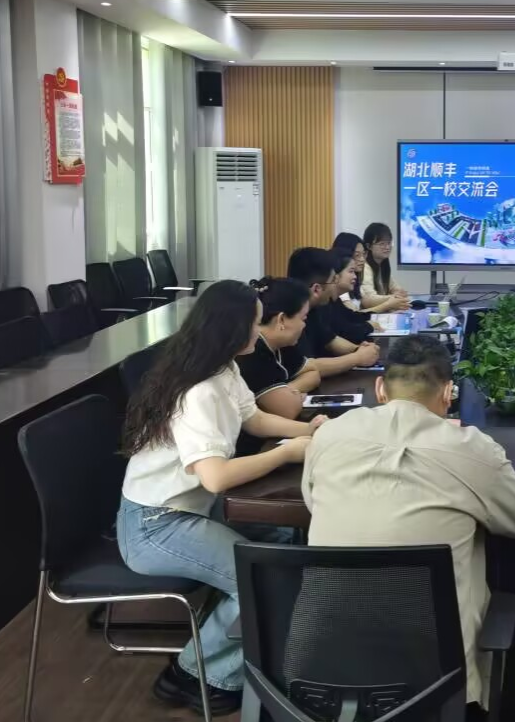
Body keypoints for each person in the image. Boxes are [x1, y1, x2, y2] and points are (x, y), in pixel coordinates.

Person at [116, 279, 326, 717]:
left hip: (190, 509)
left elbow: (254, 418)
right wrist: (287, 453)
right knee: (262, 578)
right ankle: (192, 674)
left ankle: (264, 646)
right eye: (254, 323)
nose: (259, 331)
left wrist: (309, 431)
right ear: (232, 328)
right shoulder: (199, 391)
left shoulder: (222, 367)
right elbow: (215, 478)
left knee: (285, 541)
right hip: (155, 525)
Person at [301, 335, 515, 713]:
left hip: (323, 657)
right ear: (448, 392)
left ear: (380, 388)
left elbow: (312, 502)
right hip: (437, 674)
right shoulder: (472, 449)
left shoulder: (328, 435)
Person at [237, 277, 323, 419]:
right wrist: (288, 396)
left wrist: (288, 390)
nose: (304, 325)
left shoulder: (281, 343)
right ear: (281, 319)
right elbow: (288, 409)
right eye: (303, 318)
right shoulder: (252, 351)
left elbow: (313, 373)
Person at [287, 247, 380, 376]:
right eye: (332, 281)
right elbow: (307, 367)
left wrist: (360, 349)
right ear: (316, 289)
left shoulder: (315, 307)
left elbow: (330, 340)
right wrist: (357, 358)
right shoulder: (289, 314)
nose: (334, 286)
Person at [324, 248, 379, 344]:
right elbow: (345, 331)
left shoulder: (336, 301)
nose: (355, 276)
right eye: (351, 271)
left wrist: (377, 317)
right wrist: (369, 326)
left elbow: (352, 316)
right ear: (335, 275)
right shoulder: (324, 304)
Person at [360, 222, 411, 312]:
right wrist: (393, 298)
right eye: (382, 244)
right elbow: (369, 300)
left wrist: (397, 295)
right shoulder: (365, 267)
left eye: (389, 243)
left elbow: (397, 289)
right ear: (368, 246)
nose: (387, 247)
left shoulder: (383, 265)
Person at [331, 231, 367, 309]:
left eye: (363, 254)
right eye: (357, 255)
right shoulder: (340, 284)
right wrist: (388, 304)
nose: (362, 259)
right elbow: (353, 313)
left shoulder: (355, 279)